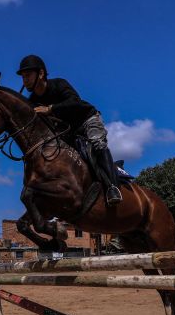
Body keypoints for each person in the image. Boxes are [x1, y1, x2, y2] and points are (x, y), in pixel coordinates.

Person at [17, 54, 122, 205]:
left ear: (40, 74)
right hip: (68, 131)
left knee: (98, 143)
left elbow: (75, 102)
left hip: (87, 119)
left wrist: (50, 109)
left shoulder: (59, 84)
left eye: (27, 75)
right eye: (23, 77)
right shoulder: (33, 101)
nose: (24, 80)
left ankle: (113, 187)